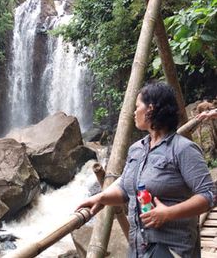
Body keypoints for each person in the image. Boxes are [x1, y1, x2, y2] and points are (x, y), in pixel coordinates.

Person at [76, 81, 215, 258]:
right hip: (138, 248)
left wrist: (168, 214)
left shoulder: (183, 149)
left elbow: (209, 195)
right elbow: (126, 190)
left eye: (137, 106)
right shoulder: (136, 149)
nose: (134, 112)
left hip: (172, 250)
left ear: (151, 109)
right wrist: (101, 197)